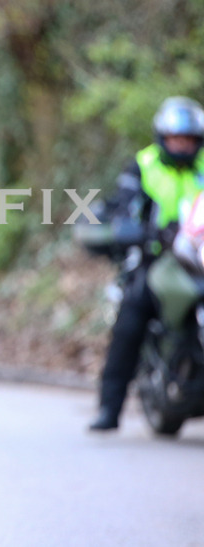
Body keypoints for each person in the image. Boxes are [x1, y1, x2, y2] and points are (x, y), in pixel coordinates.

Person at [89, 96, 204, 431]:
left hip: (198, 257)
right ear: (163, 139)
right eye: (176, 140)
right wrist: (130, 227)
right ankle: (109, 408)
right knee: (131, 320)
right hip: (158, 260)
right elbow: (124, 205)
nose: (182, 146)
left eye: (188, 140)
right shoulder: (143, 165)